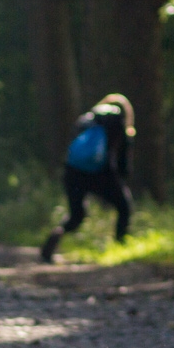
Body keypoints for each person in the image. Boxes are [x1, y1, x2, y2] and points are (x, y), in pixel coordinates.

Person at [40, 94, 135, 262]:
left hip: (73, 171)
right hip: (101, 174)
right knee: (124, 207)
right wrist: (120, 179)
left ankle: (52, 240)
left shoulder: (86, 120)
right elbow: (121, 160)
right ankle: (120, 247)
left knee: (76, 216)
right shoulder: (117, 123)